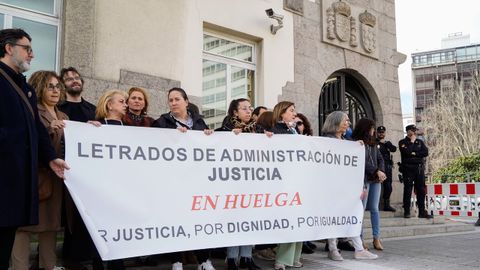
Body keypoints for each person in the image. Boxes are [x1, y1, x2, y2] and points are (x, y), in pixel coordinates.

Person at [0, 28, 68, 270]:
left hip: (18, 182)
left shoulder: (25, 88)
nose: (32, 54)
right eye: (27, 48)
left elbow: (36, 129)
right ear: (9, 48)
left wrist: (50, 158)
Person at [152, 87, 214, 270]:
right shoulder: (161, 122)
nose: (173, 103)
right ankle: (176, 261)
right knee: (175, 220)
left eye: (177, 99)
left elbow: (207, 146)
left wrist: (209, 136)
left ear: (186, 102)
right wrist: (171, 137)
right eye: (170, 100)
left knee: (200, 220)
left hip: (197, 181)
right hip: (173, 181)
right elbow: (152, 145)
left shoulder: (199, 122)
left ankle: (204, 260)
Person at [58, 66, 101, 270]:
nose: (74, 81)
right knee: (69, 215)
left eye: (76, 78)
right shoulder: (59, 108)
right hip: (65, 168)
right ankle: (70, 256)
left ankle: (85, 255)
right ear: (63, 84)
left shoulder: (93, 109)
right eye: (68, 79)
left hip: (90, 172)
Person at [321, 111, 378, 261]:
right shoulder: (325, 141)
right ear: (335, 122)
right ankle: (333, 248)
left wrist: (356, 147)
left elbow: (355, 167)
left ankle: (359, 249)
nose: (348, 123)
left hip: (347, 188)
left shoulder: (348, 141)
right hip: (332, 187)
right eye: (345, 120)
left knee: (352, 215)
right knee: (333, 217)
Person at [216, 98, 264, 270]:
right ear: (235, 112)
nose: (248, 111)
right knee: (234, 221)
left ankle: (246, 257)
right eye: (244, 108)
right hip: (232, 183)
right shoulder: (225, 129)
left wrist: (270, 138)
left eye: (250, 108)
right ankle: (231, 258)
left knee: (249, 220)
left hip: (252, 182)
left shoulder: (258, 130)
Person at [95, 89, 128, 270]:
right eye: (121, 101)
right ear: (109, 104)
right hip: (101, 189)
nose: (125, 105)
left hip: (122, 188)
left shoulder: (129, 129)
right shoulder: (95, 126)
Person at [270, 101, 303, 270]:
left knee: (299, 220)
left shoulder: (293, 130)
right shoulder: (276, 130)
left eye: (294, 110)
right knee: (289, 221)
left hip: (298, 180)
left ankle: (295, 256)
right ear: (281, 113)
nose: (294, 113)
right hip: (285, 182)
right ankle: (282, 259)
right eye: (291, 110)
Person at [352, 119, 387, 251]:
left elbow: (380, 158)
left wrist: (381, 171)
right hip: (364, 179)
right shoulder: (356, 142)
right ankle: (360, 239)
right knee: (361, 209)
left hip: (375, 180)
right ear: (365, 128)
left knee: (374, 209)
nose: (373, 131)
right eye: (372, 128)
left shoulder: (374, 143)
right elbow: (361, 161)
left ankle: (376, 238)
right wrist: (375, 170)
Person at [399, 124, 432, 219]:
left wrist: (414, 153)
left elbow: (425, 152)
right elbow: (407, 152)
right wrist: (412, 142)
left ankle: (422, 212)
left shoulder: (420, 142)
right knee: (408, 190)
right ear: (408, 131)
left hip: (419, 168)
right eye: (413, 130)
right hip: (408, 169)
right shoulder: (402, 142)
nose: (414, 132)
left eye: (415, 130)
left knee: (421, 190)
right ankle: (407, 211)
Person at [376, 126, 397, 212]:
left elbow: (394, 149)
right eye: (380, 132)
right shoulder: (374, 142)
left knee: (388, 186)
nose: (381, 134)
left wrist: (386, 143)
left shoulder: (387, 143)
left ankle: (386, 204)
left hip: (387, 167)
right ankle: (374, 204)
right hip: (378, 167)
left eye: (383, 132)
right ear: (377, 133)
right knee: (376, 186)